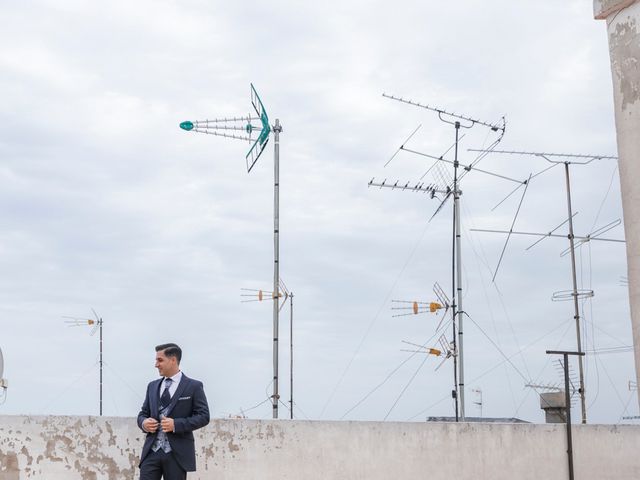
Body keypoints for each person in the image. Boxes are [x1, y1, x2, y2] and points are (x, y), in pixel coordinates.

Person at [137, 343, 210, 480]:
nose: (156, 364)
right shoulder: (152, 386)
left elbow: (204, 416)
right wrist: (144, 423)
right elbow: (142, 414)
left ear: (173, 360)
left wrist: (176, 424)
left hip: (177, 454)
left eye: (160, 360)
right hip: (151, 452)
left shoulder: (193, 386)